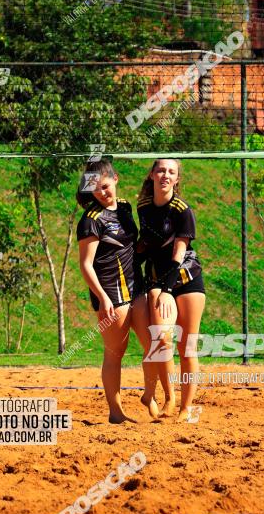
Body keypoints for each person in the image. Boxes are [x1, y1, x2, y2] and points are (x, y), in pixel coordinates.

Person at [76, 158, 164, 423]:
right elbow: (85, 265)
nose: (104, 193)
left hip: (136, 287)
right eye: (97, 189)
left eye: (106, 186)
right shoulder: (91, 220)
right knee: (115, 352)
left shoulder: (125, 207)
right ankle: (116, 412)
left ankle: (149, 395)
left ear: (116, 179)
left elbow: (128, 245)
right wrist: (102, 299)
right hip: (111, 295)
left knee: (154, 345)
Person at [137, 158, 205, 420]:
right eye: (161, 170)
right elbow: (146, 244)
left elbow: (178, 254)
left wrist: (167, 289)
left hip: (186, 278)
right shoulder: (143, 207)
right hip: (157, 279)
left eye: (171, 172)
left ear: (177, 180)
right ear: (153, 175)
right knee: (162, 338)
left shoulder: (182, 210)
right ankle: (170, 397)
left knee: (187, 347)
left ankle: (187, 409)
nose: (165, 174)